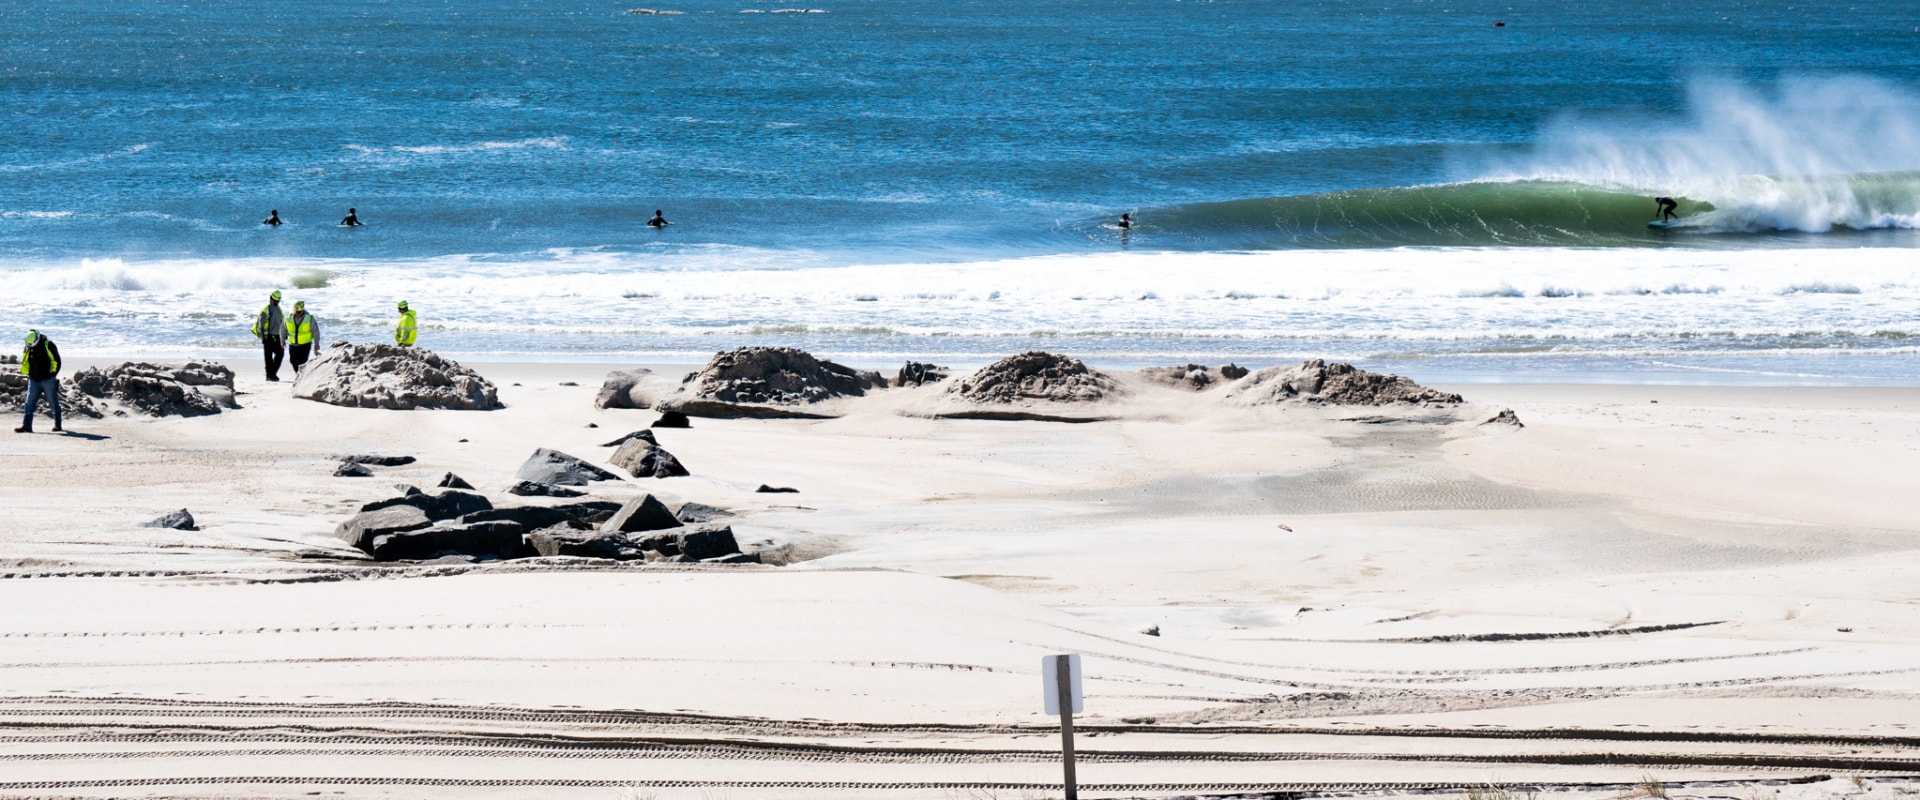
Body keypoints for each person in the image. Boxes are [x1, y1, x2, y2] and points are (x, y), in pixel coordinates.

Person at [15, 330, 62, 434]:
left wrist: (52, 375)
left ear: (37, 338)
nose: (32, 346)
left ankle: (57, 424)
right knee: (29, 403)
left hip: (48, 380)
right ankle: (26, 426)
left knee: (53, 402)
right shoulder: (29, 346)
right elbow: (26, 360)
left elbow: (57, 361)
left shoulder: (48, 345)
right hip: (33, 379)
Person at [251, 290, 287, 381]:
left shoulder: (278, 309)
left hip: (277, 336)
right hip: (268, 336)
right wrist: (264, 338)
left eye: (278, 300)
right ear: (271, 299)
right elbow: (262, 324)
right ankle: (269, 376)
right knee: (268, 357)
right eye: (276, 300)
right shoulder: (266, 310)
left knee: (280, 354)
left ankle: (272, 374)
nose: (277, 302)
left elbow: (282, 323)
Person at [285, 300, 321, 374]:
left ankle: (301, 377)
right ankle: (300, 375)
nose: (297, 314)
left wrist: (316, 344)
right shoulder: (288, 317)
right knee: (293, 361)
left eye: (299, 312)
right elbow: (283, 329)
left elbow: (315, 331)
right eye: (296, 312)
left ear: (303, 310)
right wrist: (282, 341)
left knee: (302, 362)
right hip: (293, 344)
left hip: (305, 345)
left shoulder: (309, 318)